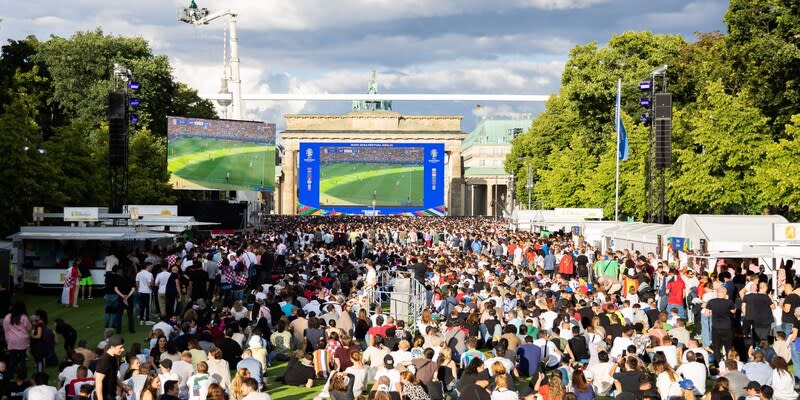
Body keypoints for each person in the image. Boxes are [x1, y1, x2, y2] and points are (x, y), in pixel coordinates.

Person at [95, 335, 131, 400]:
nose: (123, 349)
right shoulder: (104, 360)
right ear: (112, 347)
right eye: (120, 347)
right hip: (104, 396)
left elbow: (113, 376)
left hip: (111, 395)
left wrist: (123, 387)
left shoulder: (114, 357)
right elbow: (98, 381)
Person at [706, 286, 736, 362]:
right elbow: (733, 311)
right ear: (725, 293)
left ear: (717, 293)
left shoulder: (711, 302)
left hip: (716, 327)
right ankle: (729, 361)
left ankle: (718, 362)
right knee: (728, 346)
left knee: (716, 346)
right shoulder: (729, 302)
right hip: (727, 327)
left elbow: (707, 314)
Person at [3, 301, 31, 376]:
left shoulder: (7, 317)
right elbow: (29, 327)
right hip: (22, 340)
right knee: (22, 358)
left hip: (12, 340)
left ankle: (10, 374)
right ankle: (22, 373)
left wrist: (7, 339)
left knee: (12, 358)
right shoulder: (24, 317)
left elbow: (5, 329)